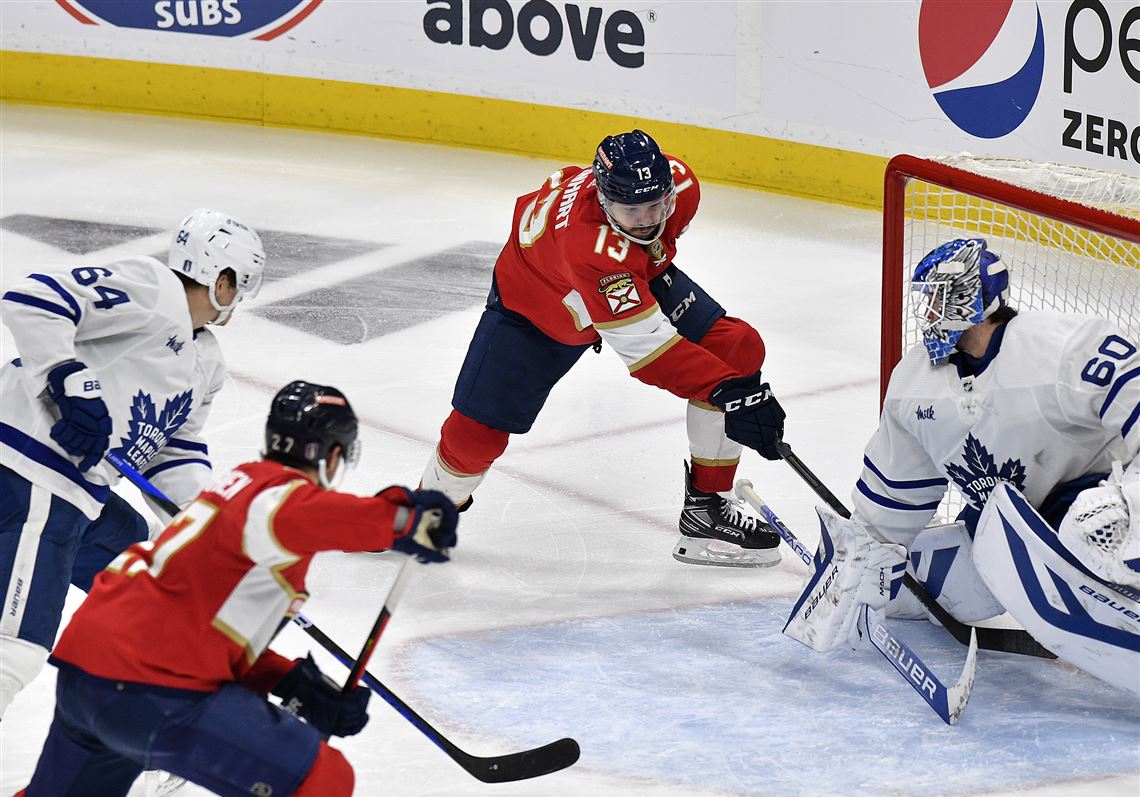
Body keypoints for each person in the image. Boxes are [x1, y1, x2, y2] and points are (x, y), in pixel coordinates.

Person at [14, 380, 460, 797]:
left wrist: (290, 681)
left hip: (88, 680)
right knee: (323, 779)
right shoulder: (276, 499)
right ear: (332, 455)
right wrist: (402, 521)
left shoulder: (235, 490)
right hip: (151, 692)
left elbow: (200, 627)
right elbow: (309, 516)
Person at [783, 237, 1139, 694]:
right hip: (1011, 533)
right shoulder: (915, 383)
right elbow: (893, 499)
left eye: (938, 298)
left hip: (1100, 506)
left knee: (1092, 529)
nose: (927, 312)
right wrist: (860, 561)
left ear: (972, 299)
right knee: (940, 590)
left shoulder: (1065, 346)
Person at [418, 129, 788, 567]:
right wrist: (730, 393)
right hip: (538, 304)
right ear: (604, 197)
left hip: (618, 273)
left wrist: (734, 385)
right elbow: (651, 353)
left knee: (735, 347)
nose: (649, 219)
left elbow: (644, 252)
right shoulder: (587, 245)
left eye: (657, 204)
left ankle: (706, 507)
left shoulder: (680, 186)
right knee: (475, 437)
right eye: (632, 210)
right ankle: (421, 516)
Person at [0, 208, 266, 719]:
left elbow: (173, 448)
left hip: (82, 496)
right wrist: (66, 376)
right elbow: (33, 299)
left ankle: (158, 732)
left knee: (158, 592)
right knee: (15, 648)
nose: (241, 300)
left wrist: (204, 519)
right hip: (33, 467)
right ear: (220, 276)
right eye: (240, 284)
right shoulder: (151, 287)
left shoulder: (206, 362)